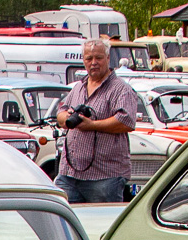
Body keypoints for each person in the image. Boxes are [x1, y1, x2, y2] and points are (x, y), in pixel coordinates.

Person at [53, 38, 139, 203]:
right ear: (83, 61)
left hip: (105, 177)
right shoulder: (78, 87)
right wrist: (67, 118)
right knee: (64, 217)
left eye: (98, 58)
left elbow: (126, 121)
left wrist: (92, 125)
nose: (93, 63)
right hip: (69, 173)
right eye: (89, 58)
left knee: (102, 219)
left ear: (108, 58)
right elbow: (61, 112)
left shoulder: (121, 89)